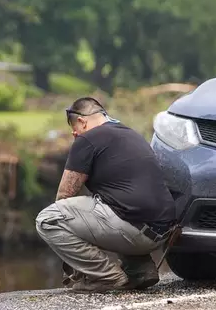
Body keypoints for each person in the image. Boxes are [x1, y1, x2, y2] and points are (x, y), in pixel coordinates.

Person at [35, 97, 176, 293]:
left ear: (83, 121)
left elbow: (63, 197)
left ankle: (106, 276)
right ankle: (140, 269)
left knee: (49, 219)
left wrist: (74, 258)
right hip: (162, 232)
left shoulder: (87, 139)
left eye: (74, 127)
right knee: (112, 200)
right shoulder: (131, 135)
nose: (73, 133)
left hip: (133, 232)